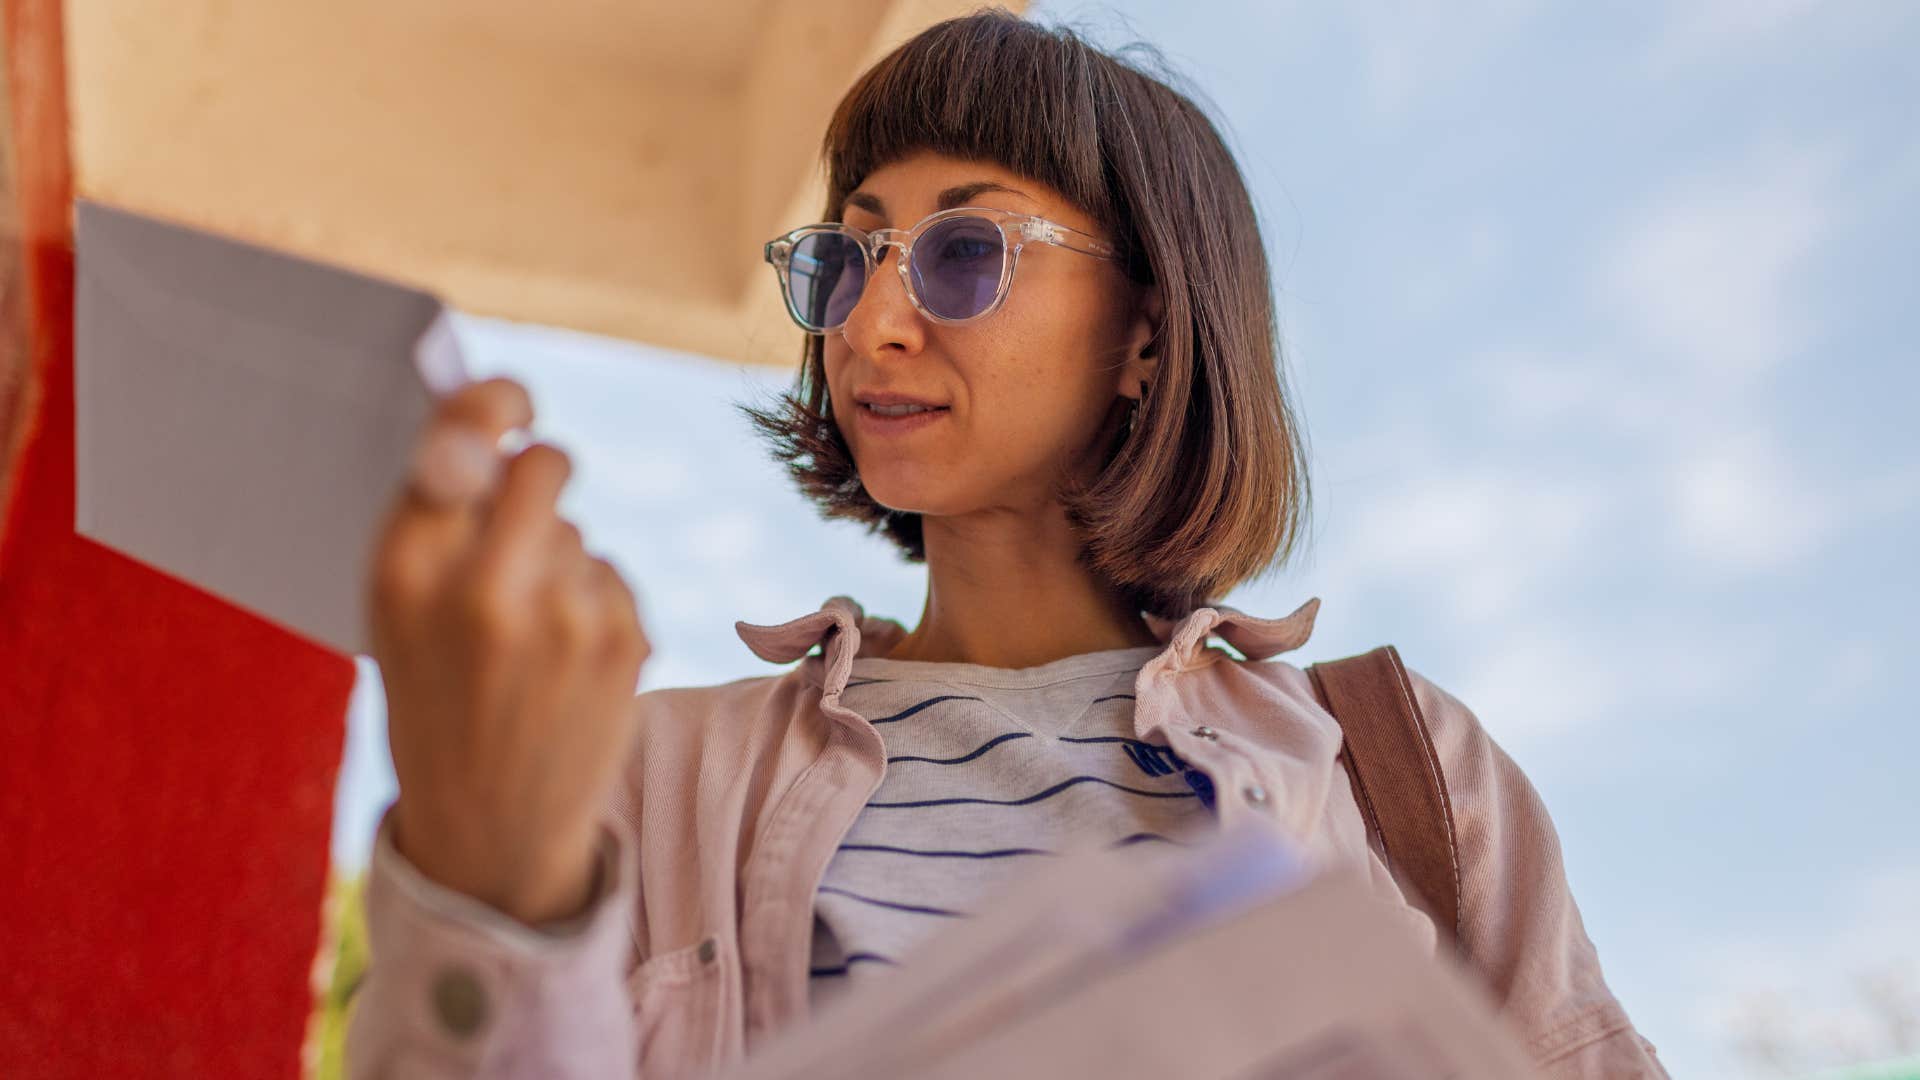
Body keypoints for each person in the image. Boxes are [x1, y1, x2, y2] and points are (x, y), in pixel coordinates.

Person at [347, 9, 1668, 1078]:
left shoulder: (1407, 769)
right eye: (848, 259)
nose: (871, 324)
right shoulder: (646, 774)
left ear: (1147, 331)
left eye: (964, 252)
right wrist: (491, 884)